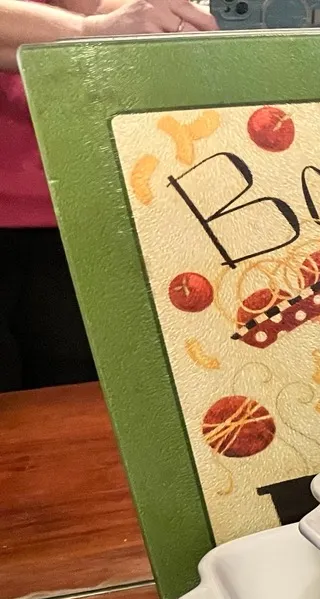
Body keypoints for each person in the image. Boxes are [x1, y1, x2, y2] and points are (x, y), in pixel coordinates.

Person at [0, 0, 215, 390]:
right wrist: (90, 32)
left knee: (81, 399)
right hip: (53, 218)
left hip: (96, 216)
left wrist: (144, 21)